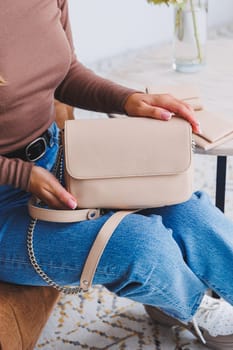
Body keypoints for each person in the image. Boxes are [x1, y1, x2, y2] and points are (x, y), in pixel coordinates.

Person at [1, 1, 233, 349]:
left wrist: (129, 100)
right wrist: (21, 175)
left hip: (57, 157)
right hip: (6, 198)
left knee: (192, 214)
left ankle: (170, 299)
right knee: (142, 246)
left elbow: (66, 73)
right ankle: (194, 308)